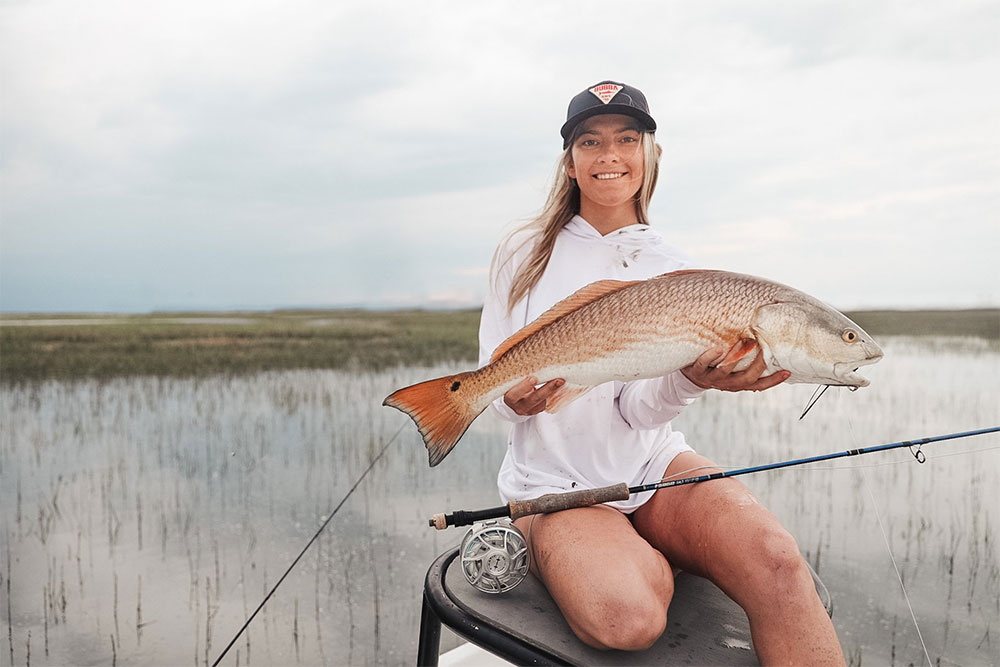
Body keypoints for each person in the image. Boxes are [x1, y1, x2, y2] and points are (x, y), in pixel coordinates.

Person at [477, 80, 845, 665]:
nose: (610, 155)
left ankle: (647, 542)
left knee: (776, 560)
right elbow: (493, 383)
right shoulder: (522, 253)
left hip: (653, 466)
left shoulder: (672, 266)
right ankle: (628, 549)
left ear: (651, 154)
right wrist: (511, 401)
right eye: (590, 142)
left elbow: (637, 410)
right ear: (570, 163)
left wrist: (693, 379)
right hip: (555, 487)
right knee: (628, 619)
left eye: (628, 138)